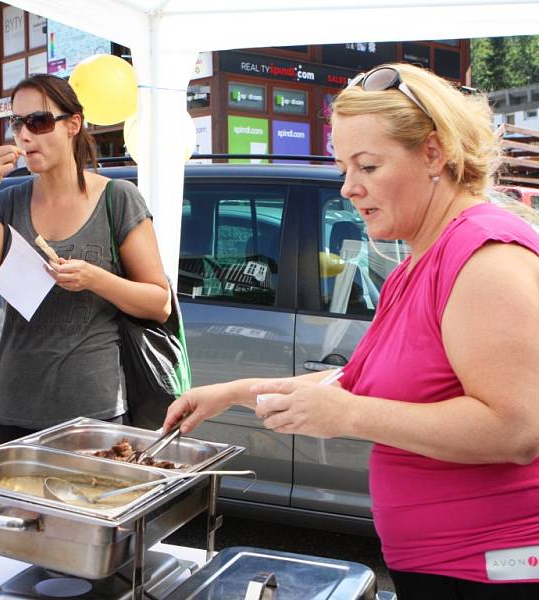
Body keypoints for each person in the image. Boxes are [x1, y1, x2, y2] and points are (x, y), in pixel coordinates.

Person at [164, 63, 539, 599]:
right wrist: (233, 393)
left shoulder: (485, 258)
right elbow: (358, 382)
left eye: (367, 165)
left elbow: (516, 429)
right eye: (344, 167)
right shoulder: (417, 261)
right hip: (441, 563)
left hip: (490, 568)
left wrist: (350, 417)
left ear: (434, 153)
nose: (349, 188)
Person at [0, 73, 170, 444]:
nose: (24, 134)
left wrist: (95, 278)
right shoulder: (8, 201)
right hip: (12, 408)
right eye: (16, 123)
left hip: (93, 411)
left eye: (38, 121)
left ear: (72, 125)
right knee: (17, 504)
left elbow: (159, 303)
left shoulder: (117, 198)